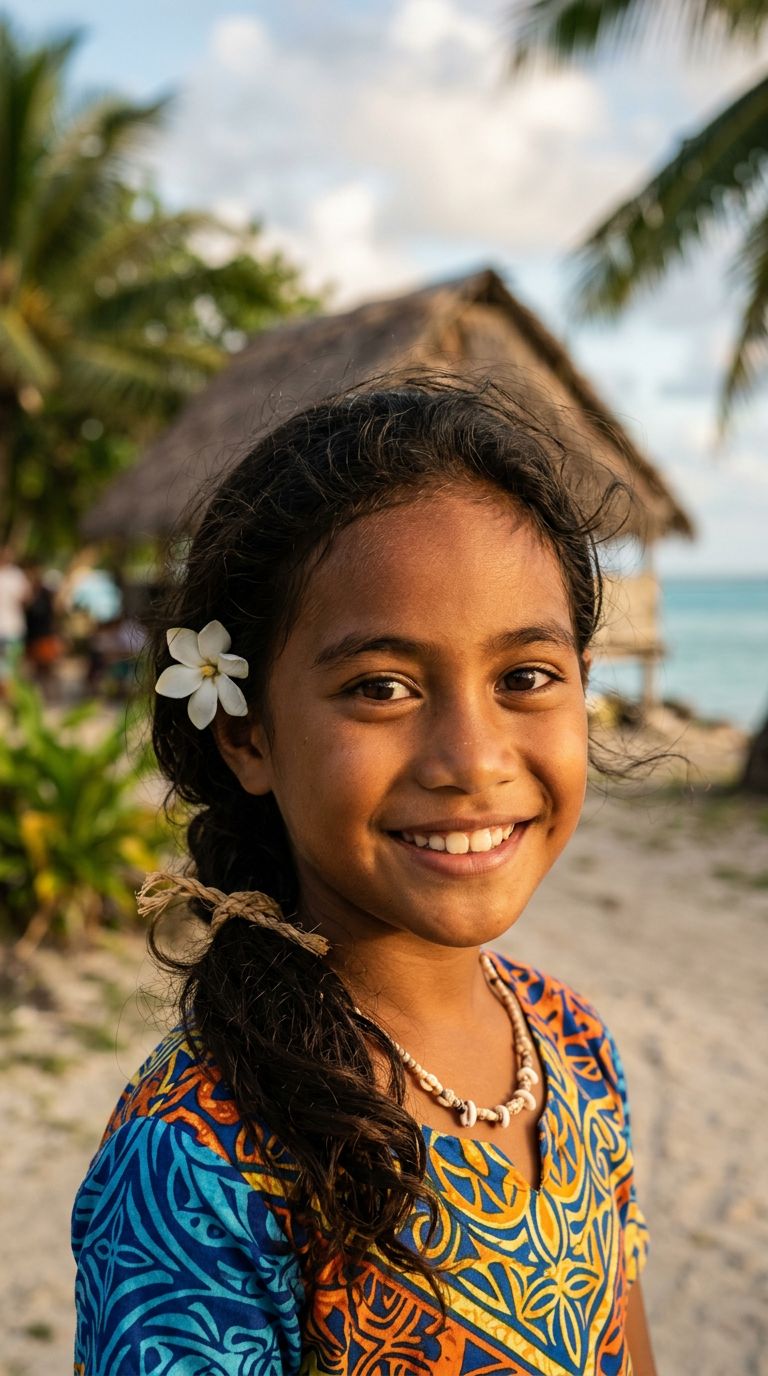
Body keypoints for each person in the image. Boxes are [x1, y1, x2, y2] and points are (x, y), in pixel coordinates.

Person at [72, 380, 657, 1375]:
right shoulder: (198, 1161)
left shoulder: (571, 1043)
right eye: (381, 687)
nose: (472, 758)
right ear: (249, 735)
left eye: (525, 677)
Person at [0, 545, 30, 697]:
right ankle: (10, 696)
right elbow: (26, 598)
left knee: (8, 665)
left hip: (11, 627)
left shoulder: (16, 575)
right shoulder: (16, 576)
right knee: (9, 665)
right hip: (12, 628)